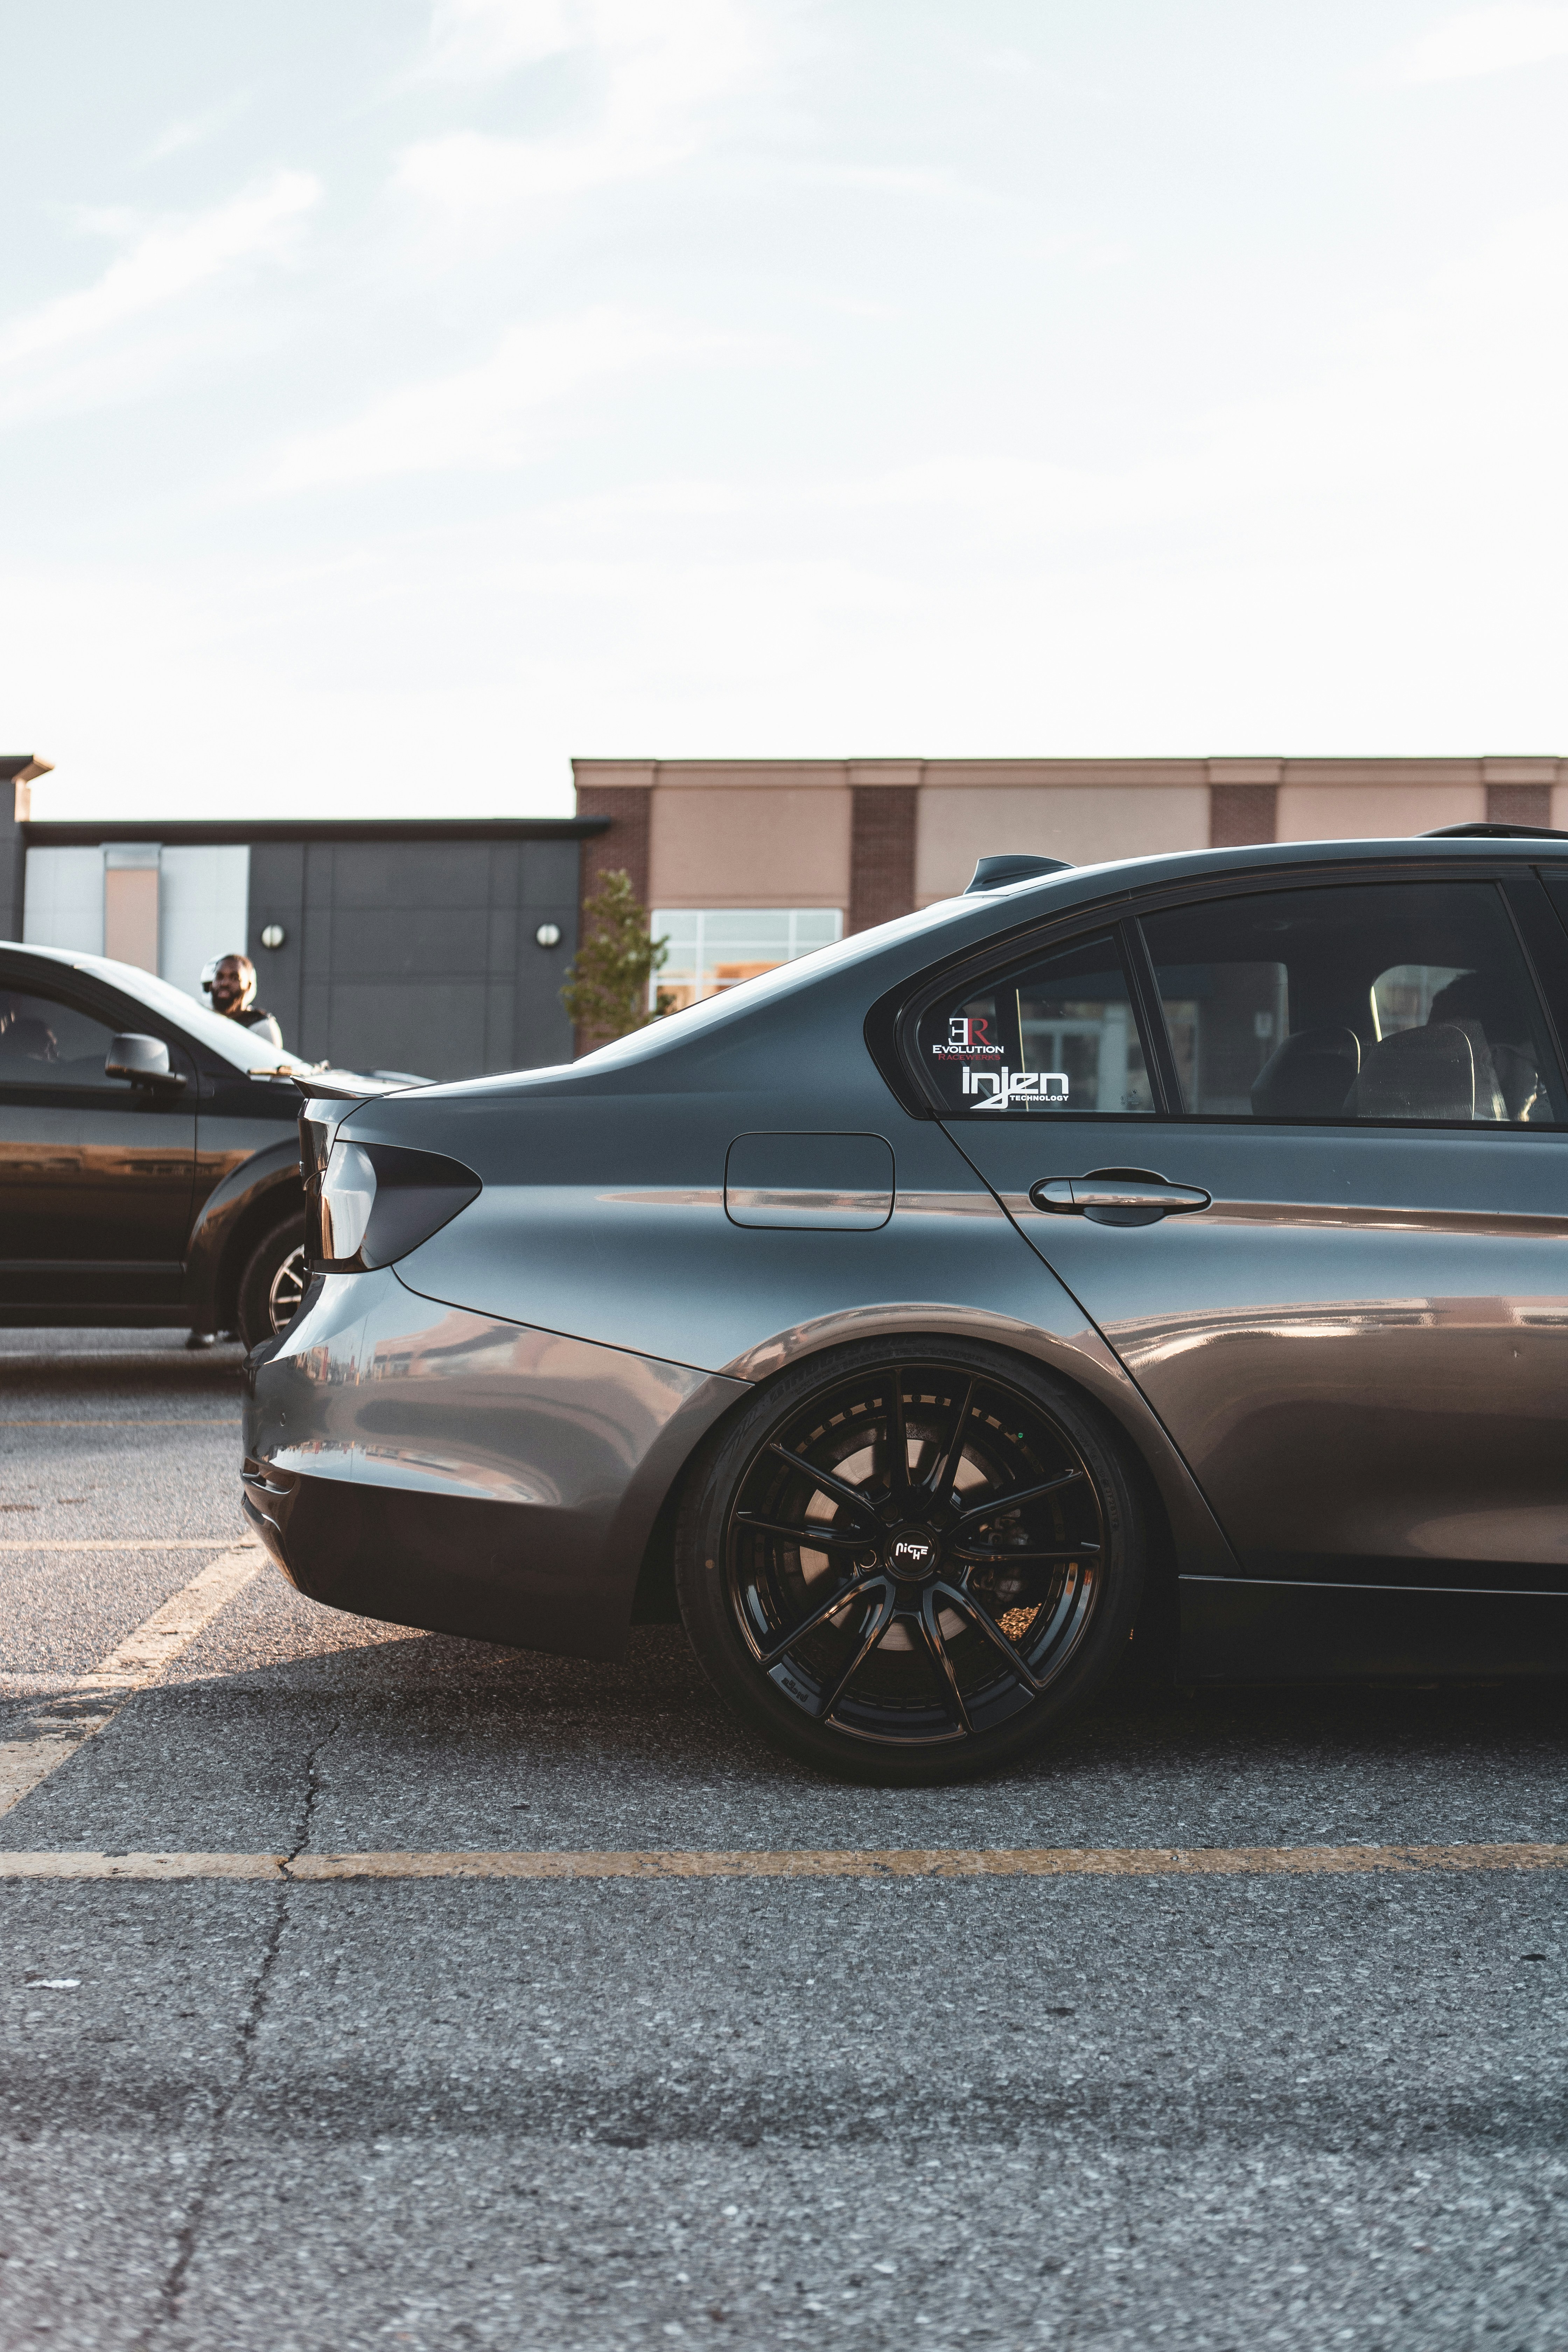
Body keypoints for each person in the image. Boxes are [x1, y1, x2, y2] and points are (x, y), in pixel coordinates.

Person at [204, 953, 283, 1049]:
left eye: (235, 978)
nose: (225, 983)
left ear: (248, 986)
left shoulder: (261, 1027)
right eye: (220, 977)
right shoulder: (203, 1019)